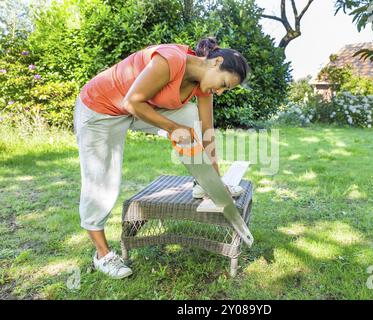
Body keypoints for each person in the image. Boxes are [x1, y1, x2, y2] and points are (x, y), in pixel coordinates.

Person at [73, 37, 251, 279]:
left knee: (190, 115)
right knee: (103, 183)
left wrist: (215, 182)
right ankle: (102, 255)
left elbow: (206, 131)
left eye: (224, 89)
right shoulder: (170, 60)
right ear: (216, 62)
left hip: (134, 108)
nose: (219, 91)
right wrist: (173, 128)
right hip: (101, 109)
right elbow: (131, 101)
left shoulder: (202, 83)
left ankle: (203, 185)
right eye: (223, 84)